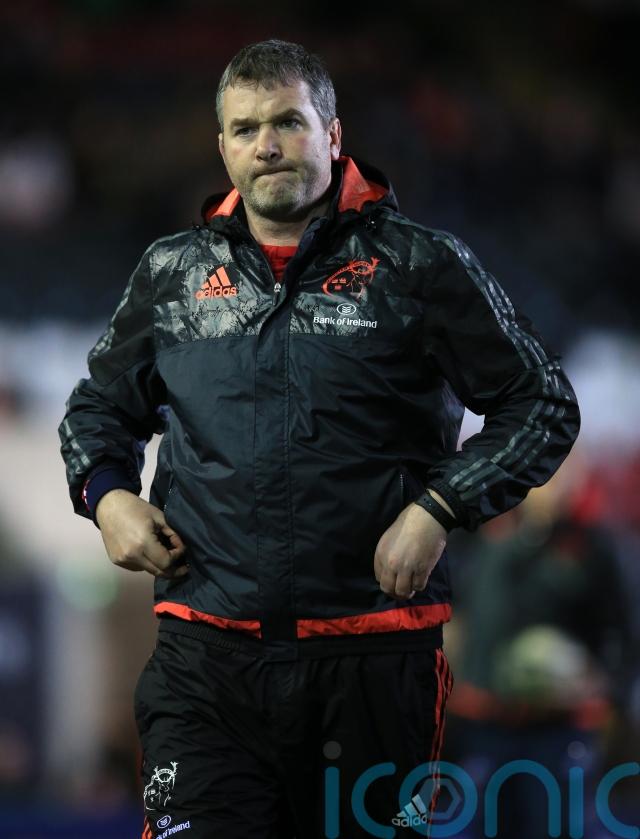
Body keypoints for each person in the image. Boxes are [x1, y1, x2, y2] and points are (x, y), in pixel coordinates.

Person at [59, 39, 580, 839]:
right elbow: (97, 409)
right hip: (205, 664)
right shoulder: (172, 273)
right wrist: (107, 496)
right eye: (245, 129)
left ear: (332, 135)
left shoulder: (420, 265)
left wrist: (438, 508)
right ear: (223, 148)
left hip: (375, 662)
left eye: (287, 122)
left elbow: (541, 402)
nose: (266, 144)